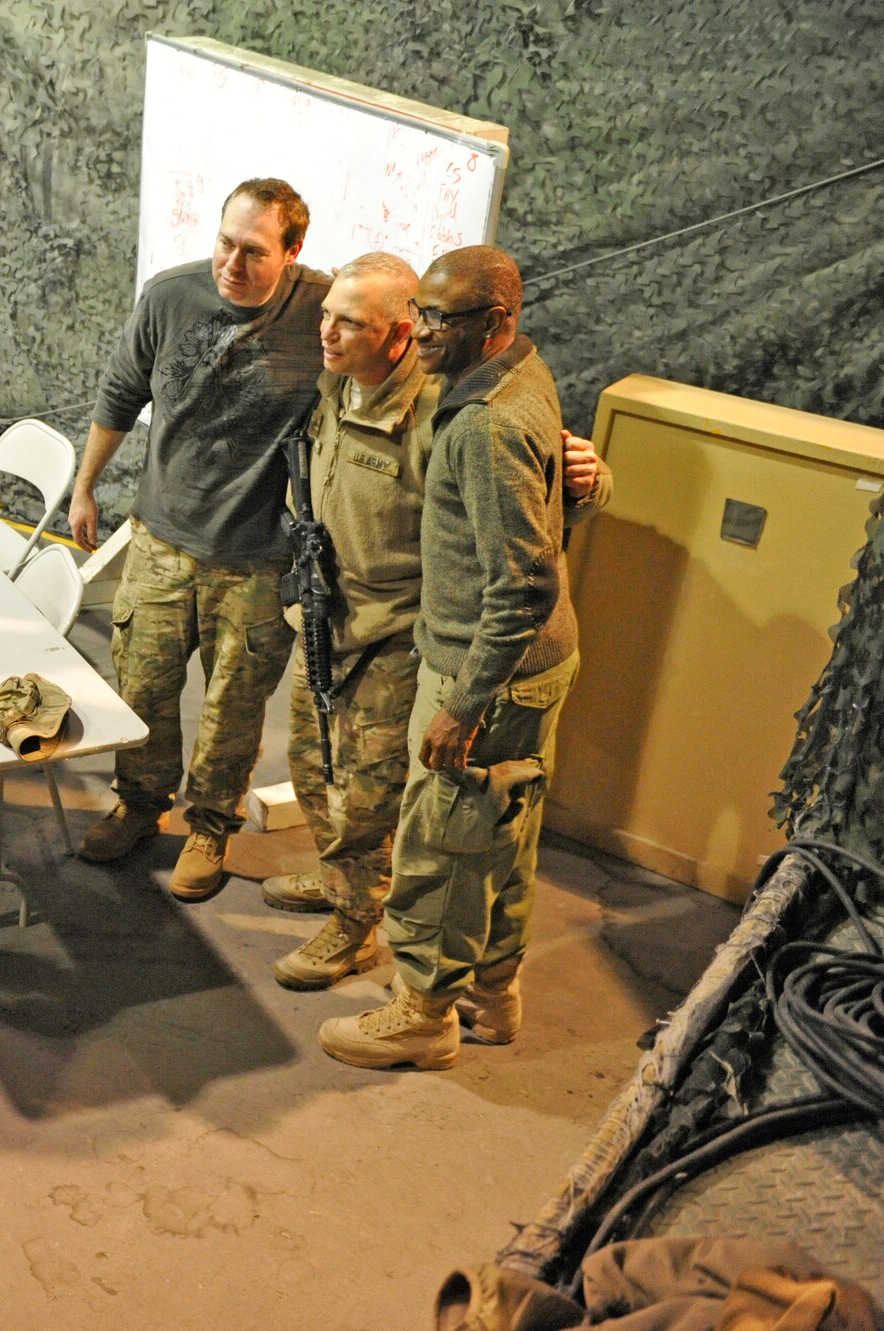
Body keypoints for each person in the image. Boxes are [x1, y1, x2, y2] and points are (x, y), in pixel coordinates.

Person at [265, 254, 611, 993]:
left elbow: (534, 520)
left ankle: (357, 925)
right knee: (315, 766)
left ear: (396, 336)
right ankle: (342, 883)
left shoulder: (450, 414)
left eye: (350, 323)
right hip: (327, 615)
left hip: (398, 635)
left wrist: (589, 476)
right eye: (327, 316)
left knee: (374, 800)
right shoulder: (338, 382)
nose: (326, 333)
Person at [318, 244, 579, 1072]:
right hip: (528, 668)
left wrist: (462, 705)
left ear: (495, 322)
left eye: (439, 319)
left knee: (440, 840)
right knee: (502, 831)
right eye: (418, 314)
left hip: (486, 668)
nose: (421, 332)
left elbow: (522, 585)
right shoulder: (520, 377)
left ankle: (423, 1012)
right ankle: (492, 995)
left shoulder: (484, 423)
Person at [69, 178, 330, 902]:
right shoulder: (168, 297)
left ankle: (210, 824)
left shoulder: (322, 312)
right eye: (224, 243)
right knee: (143, 687)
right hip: (160, 541)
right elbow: (120, 394)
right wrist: (87, 486)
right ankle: (140, 802)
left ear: (293, 251)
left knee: (234, 706)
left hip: (256, 558)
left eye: (253, 251)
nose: (232, 264)